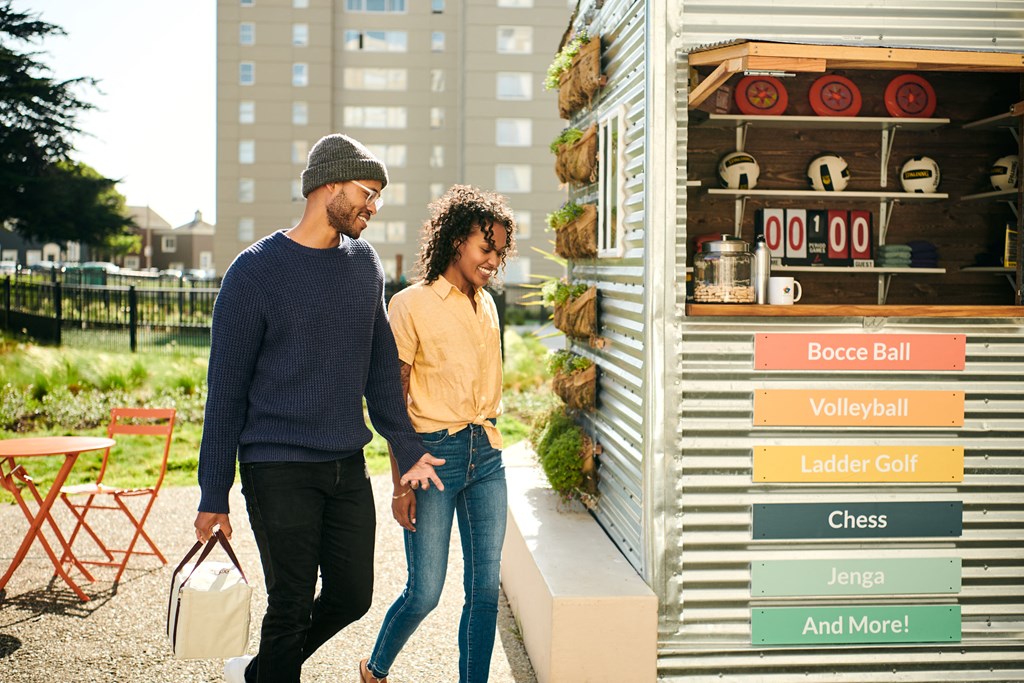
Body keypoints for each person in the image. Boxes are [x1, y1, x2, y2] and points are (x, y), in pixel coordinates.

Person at [193, 133, 445, 683]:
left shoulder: (364, 265)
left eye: (378, 196)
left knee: (354, 595)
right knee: (291, 605)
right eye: (367, 192)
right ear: (327, 184)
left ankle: (260, 673)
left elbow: (382, 370)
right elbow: (225, 392)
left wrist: (407, 448)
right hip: (276, 466)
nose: (373, 207)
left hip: (344, 464)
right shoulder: (254, 271)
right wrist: (214, 494)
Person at [359, 185, 517, 683]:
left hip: (487, 456)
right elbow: (393, 401)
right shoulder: (409, 304)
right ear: (455, 242)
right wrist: (400, 481)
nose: (493, 260)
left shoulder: (488, 305)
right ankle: (375, 667)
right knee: (425, 590)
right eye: (485, 247)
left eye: (500, 251)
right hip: (432, 459)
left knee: (485, 591)